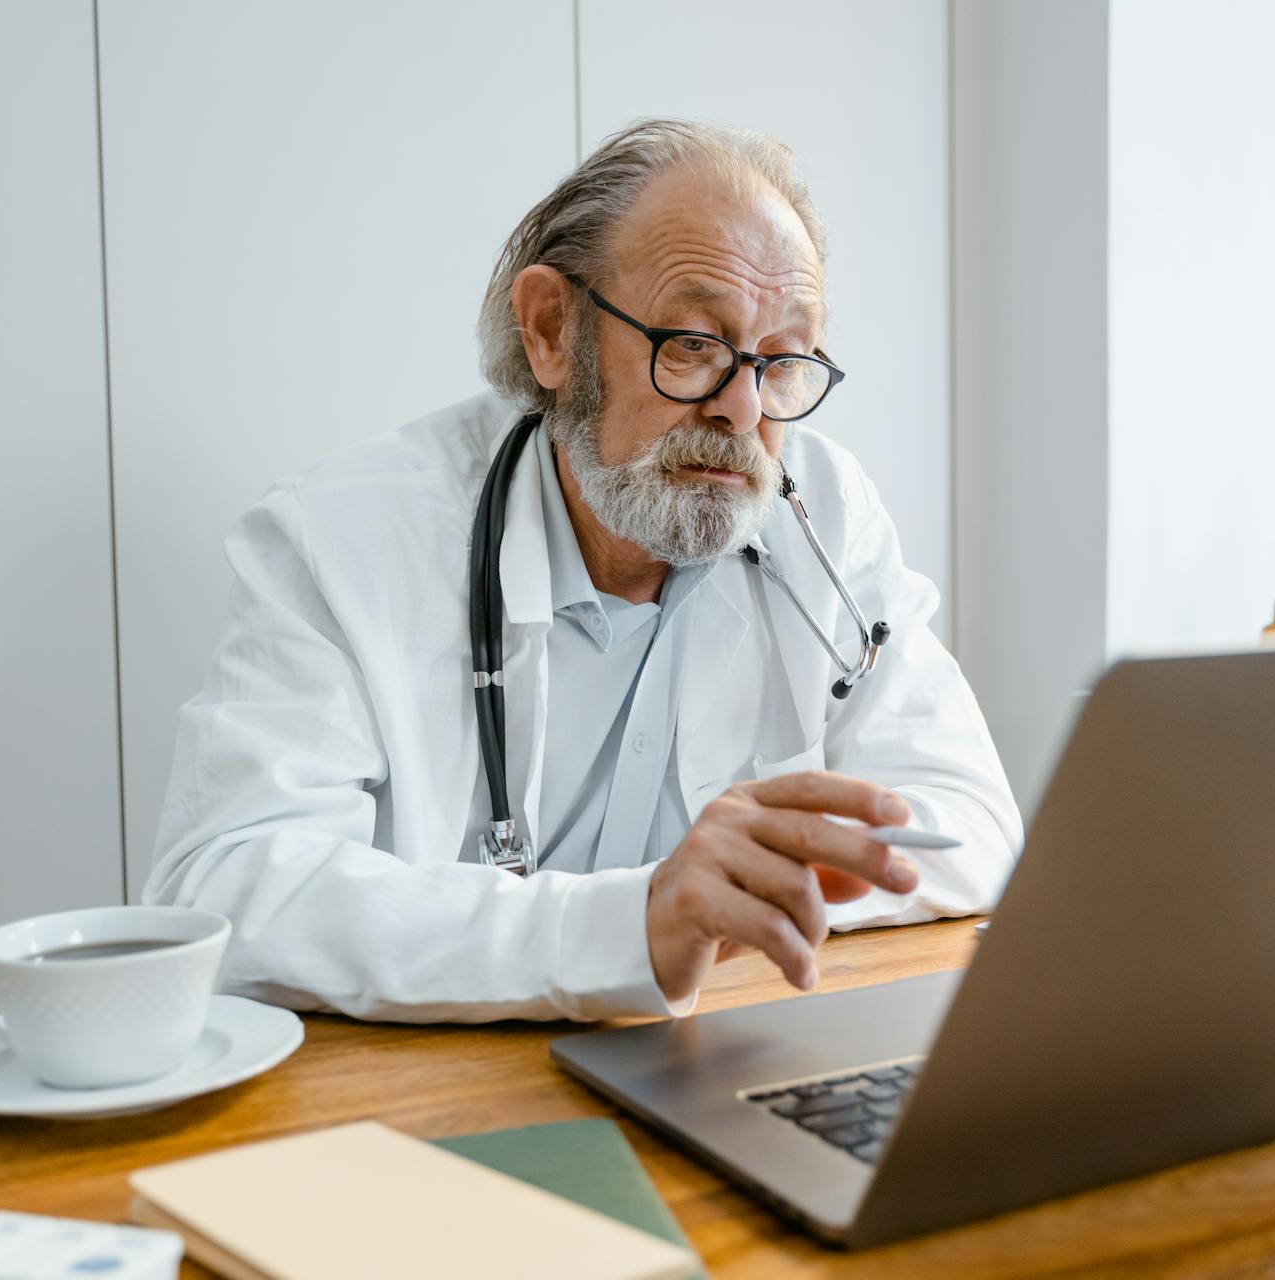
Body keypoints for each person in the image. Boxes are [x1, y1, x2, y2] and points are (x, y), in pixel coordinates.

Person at [144, 119, 1021, 1022]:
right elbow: (224, 889)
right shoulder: (341, 539)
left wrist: (737, 898)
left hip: (719, 1048)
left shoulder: (823, 508)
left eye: (783, 359)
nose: (742, 409)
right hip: (442, 1097)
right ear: (552, 330)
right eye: (692, 344)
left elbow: (974, 824)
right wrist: (625, 928)